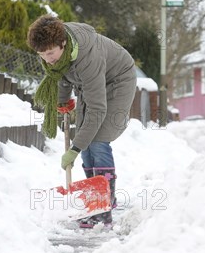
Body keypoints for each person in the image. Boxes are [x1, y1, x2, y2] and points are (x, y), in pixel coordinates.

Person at [27, 14, 137, 228]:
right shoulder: (59, 54)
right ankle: (94, 199)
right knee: (86, 141)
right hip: (92, 83)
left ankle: (104, 205)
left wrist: (75, 149)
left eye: (50, 53)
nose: (47, 59)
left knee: (97, 140)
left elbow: (97, 109)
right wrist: (62, 101)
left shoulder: (88, 57)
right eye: (42, 55)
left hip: (117, 80)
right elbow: (62, 75)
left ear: (63, 43)